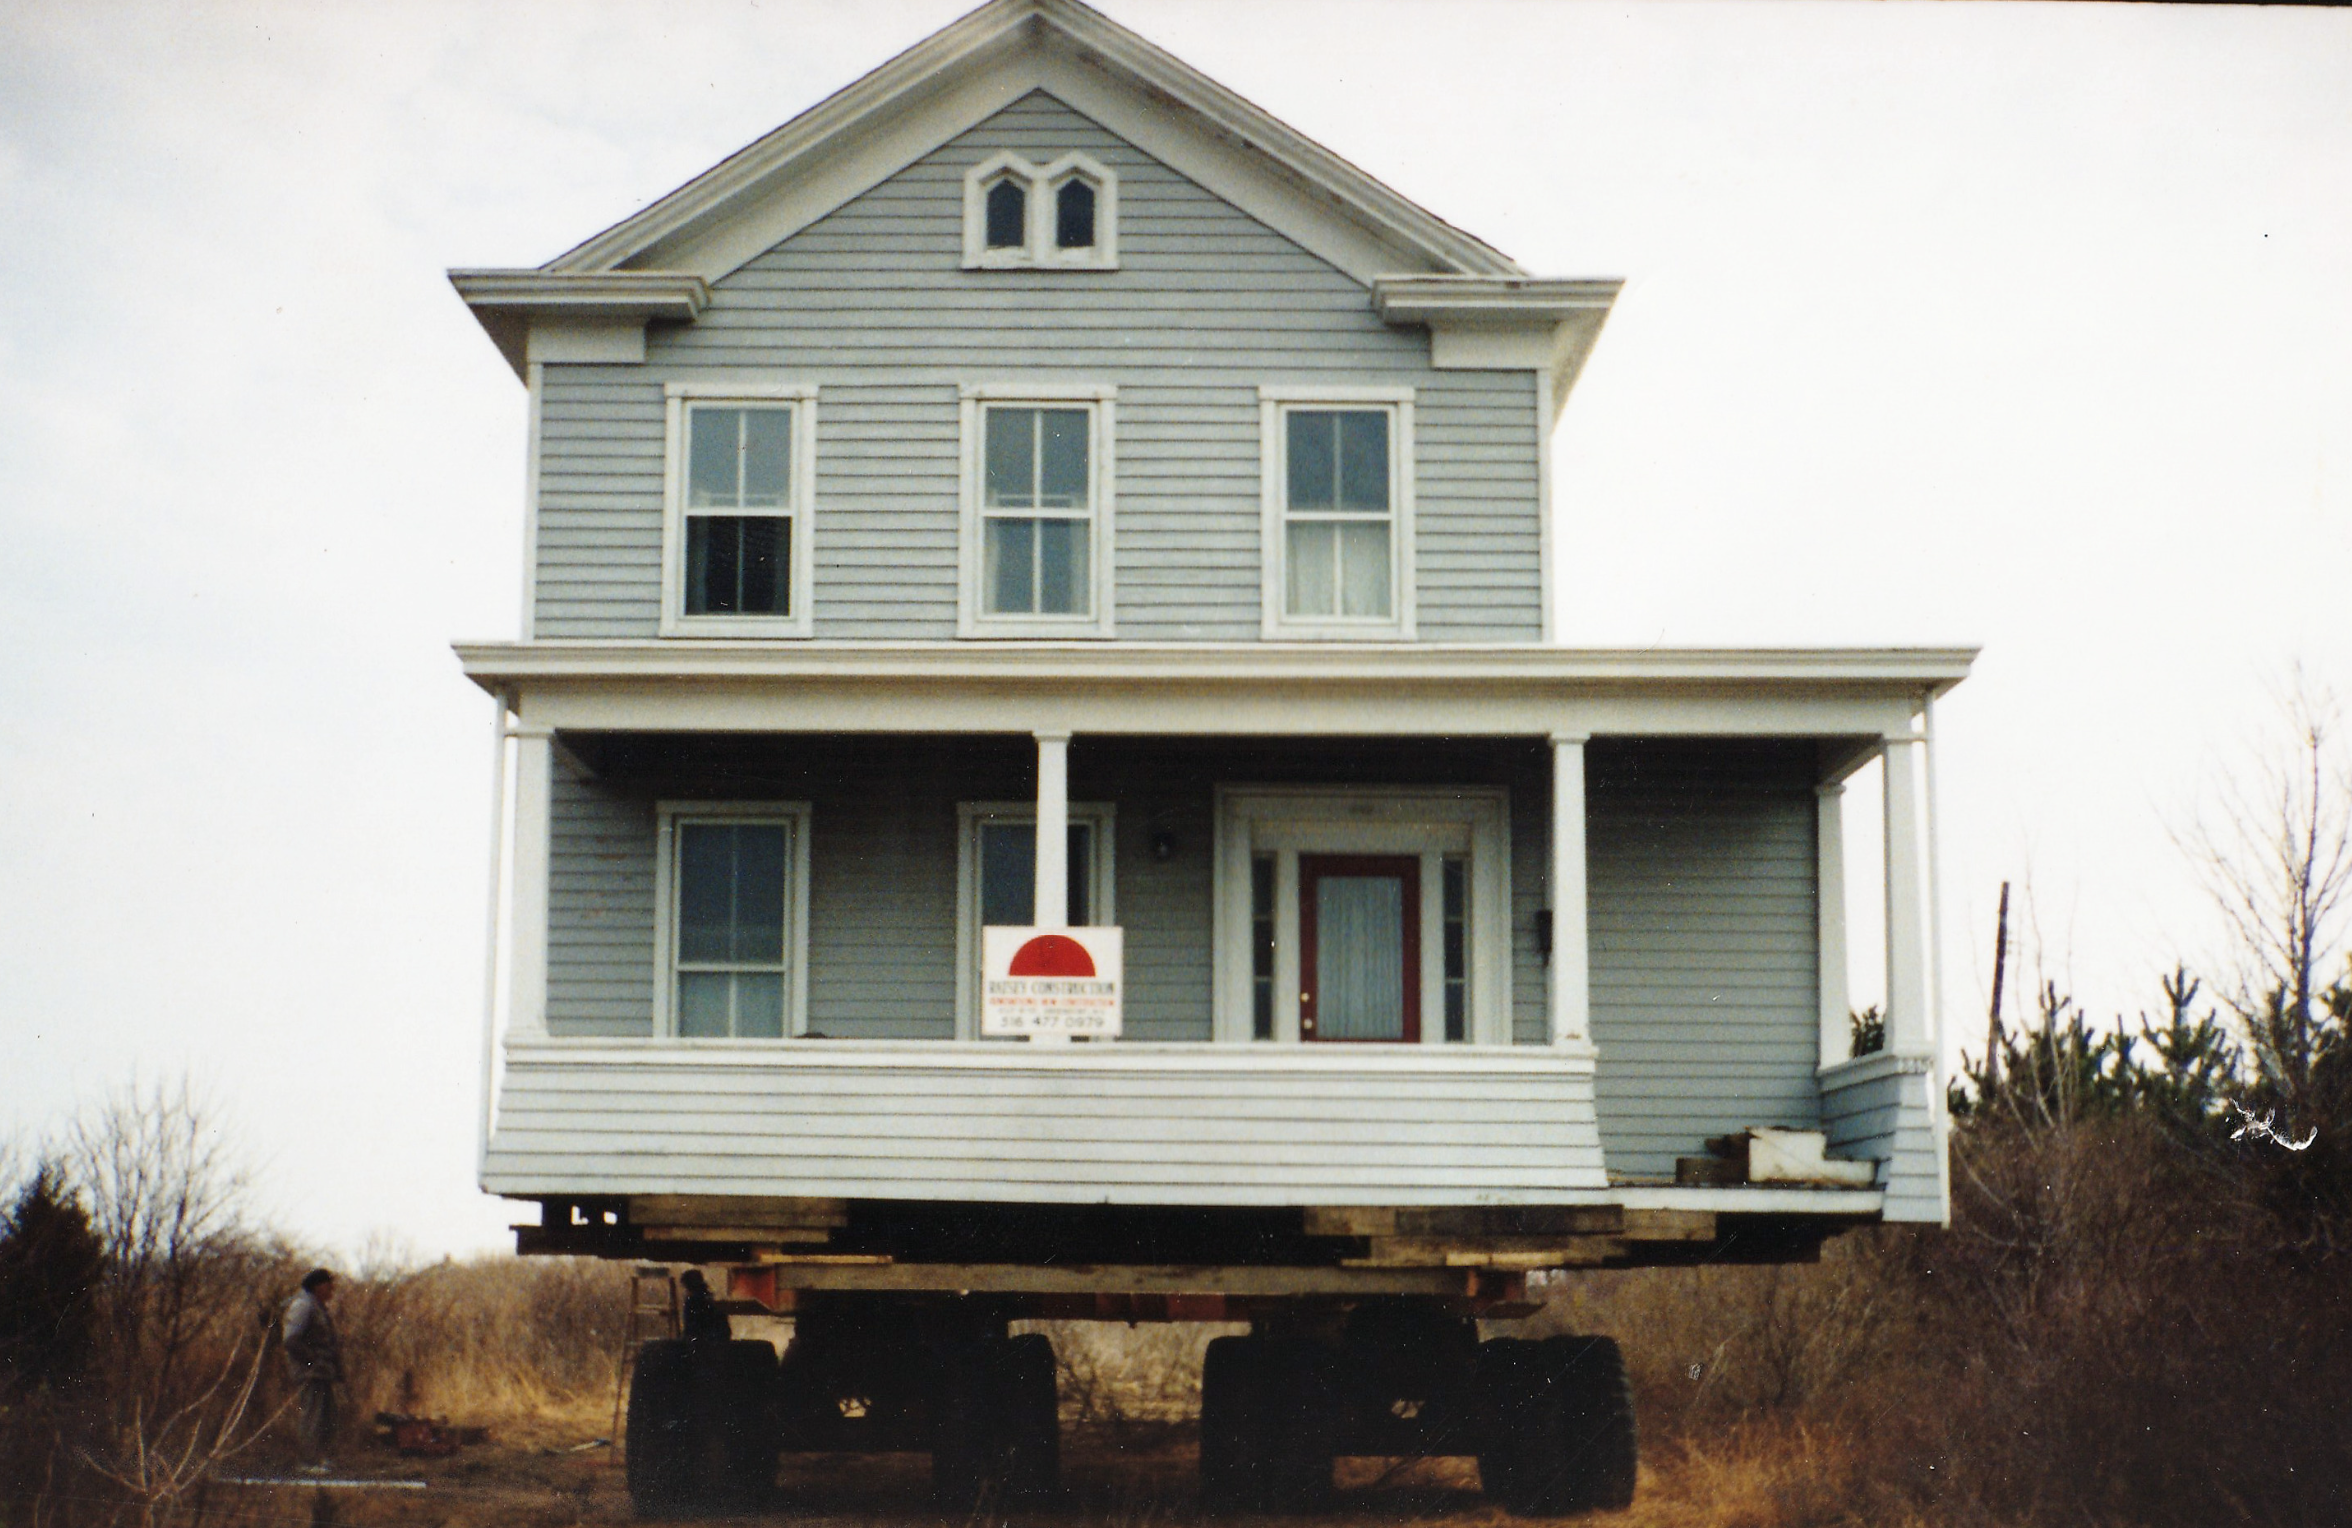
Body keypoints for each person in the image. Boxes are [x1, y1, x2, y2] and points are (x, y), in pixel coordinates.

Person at [281, 1268, 344, 1474]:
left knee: (326, 1417)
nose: (332, 1289)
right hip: (310, 1373)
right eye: (328, 1285)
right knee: (313, 1417)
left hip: (322, 1372)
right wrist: (313, 1360)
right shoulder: (303, 1306)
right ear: (318, 1286)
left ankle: (320, 1459)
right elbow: (291, 1339)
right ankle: (308, 1462)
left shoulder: (316, 1306)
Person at [677, 1269, 731, 1343]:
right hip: (716, 1339)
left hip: (702, 1340)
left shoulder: (692, 1301)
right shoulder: (709, 1298)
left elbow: (690, 1327)